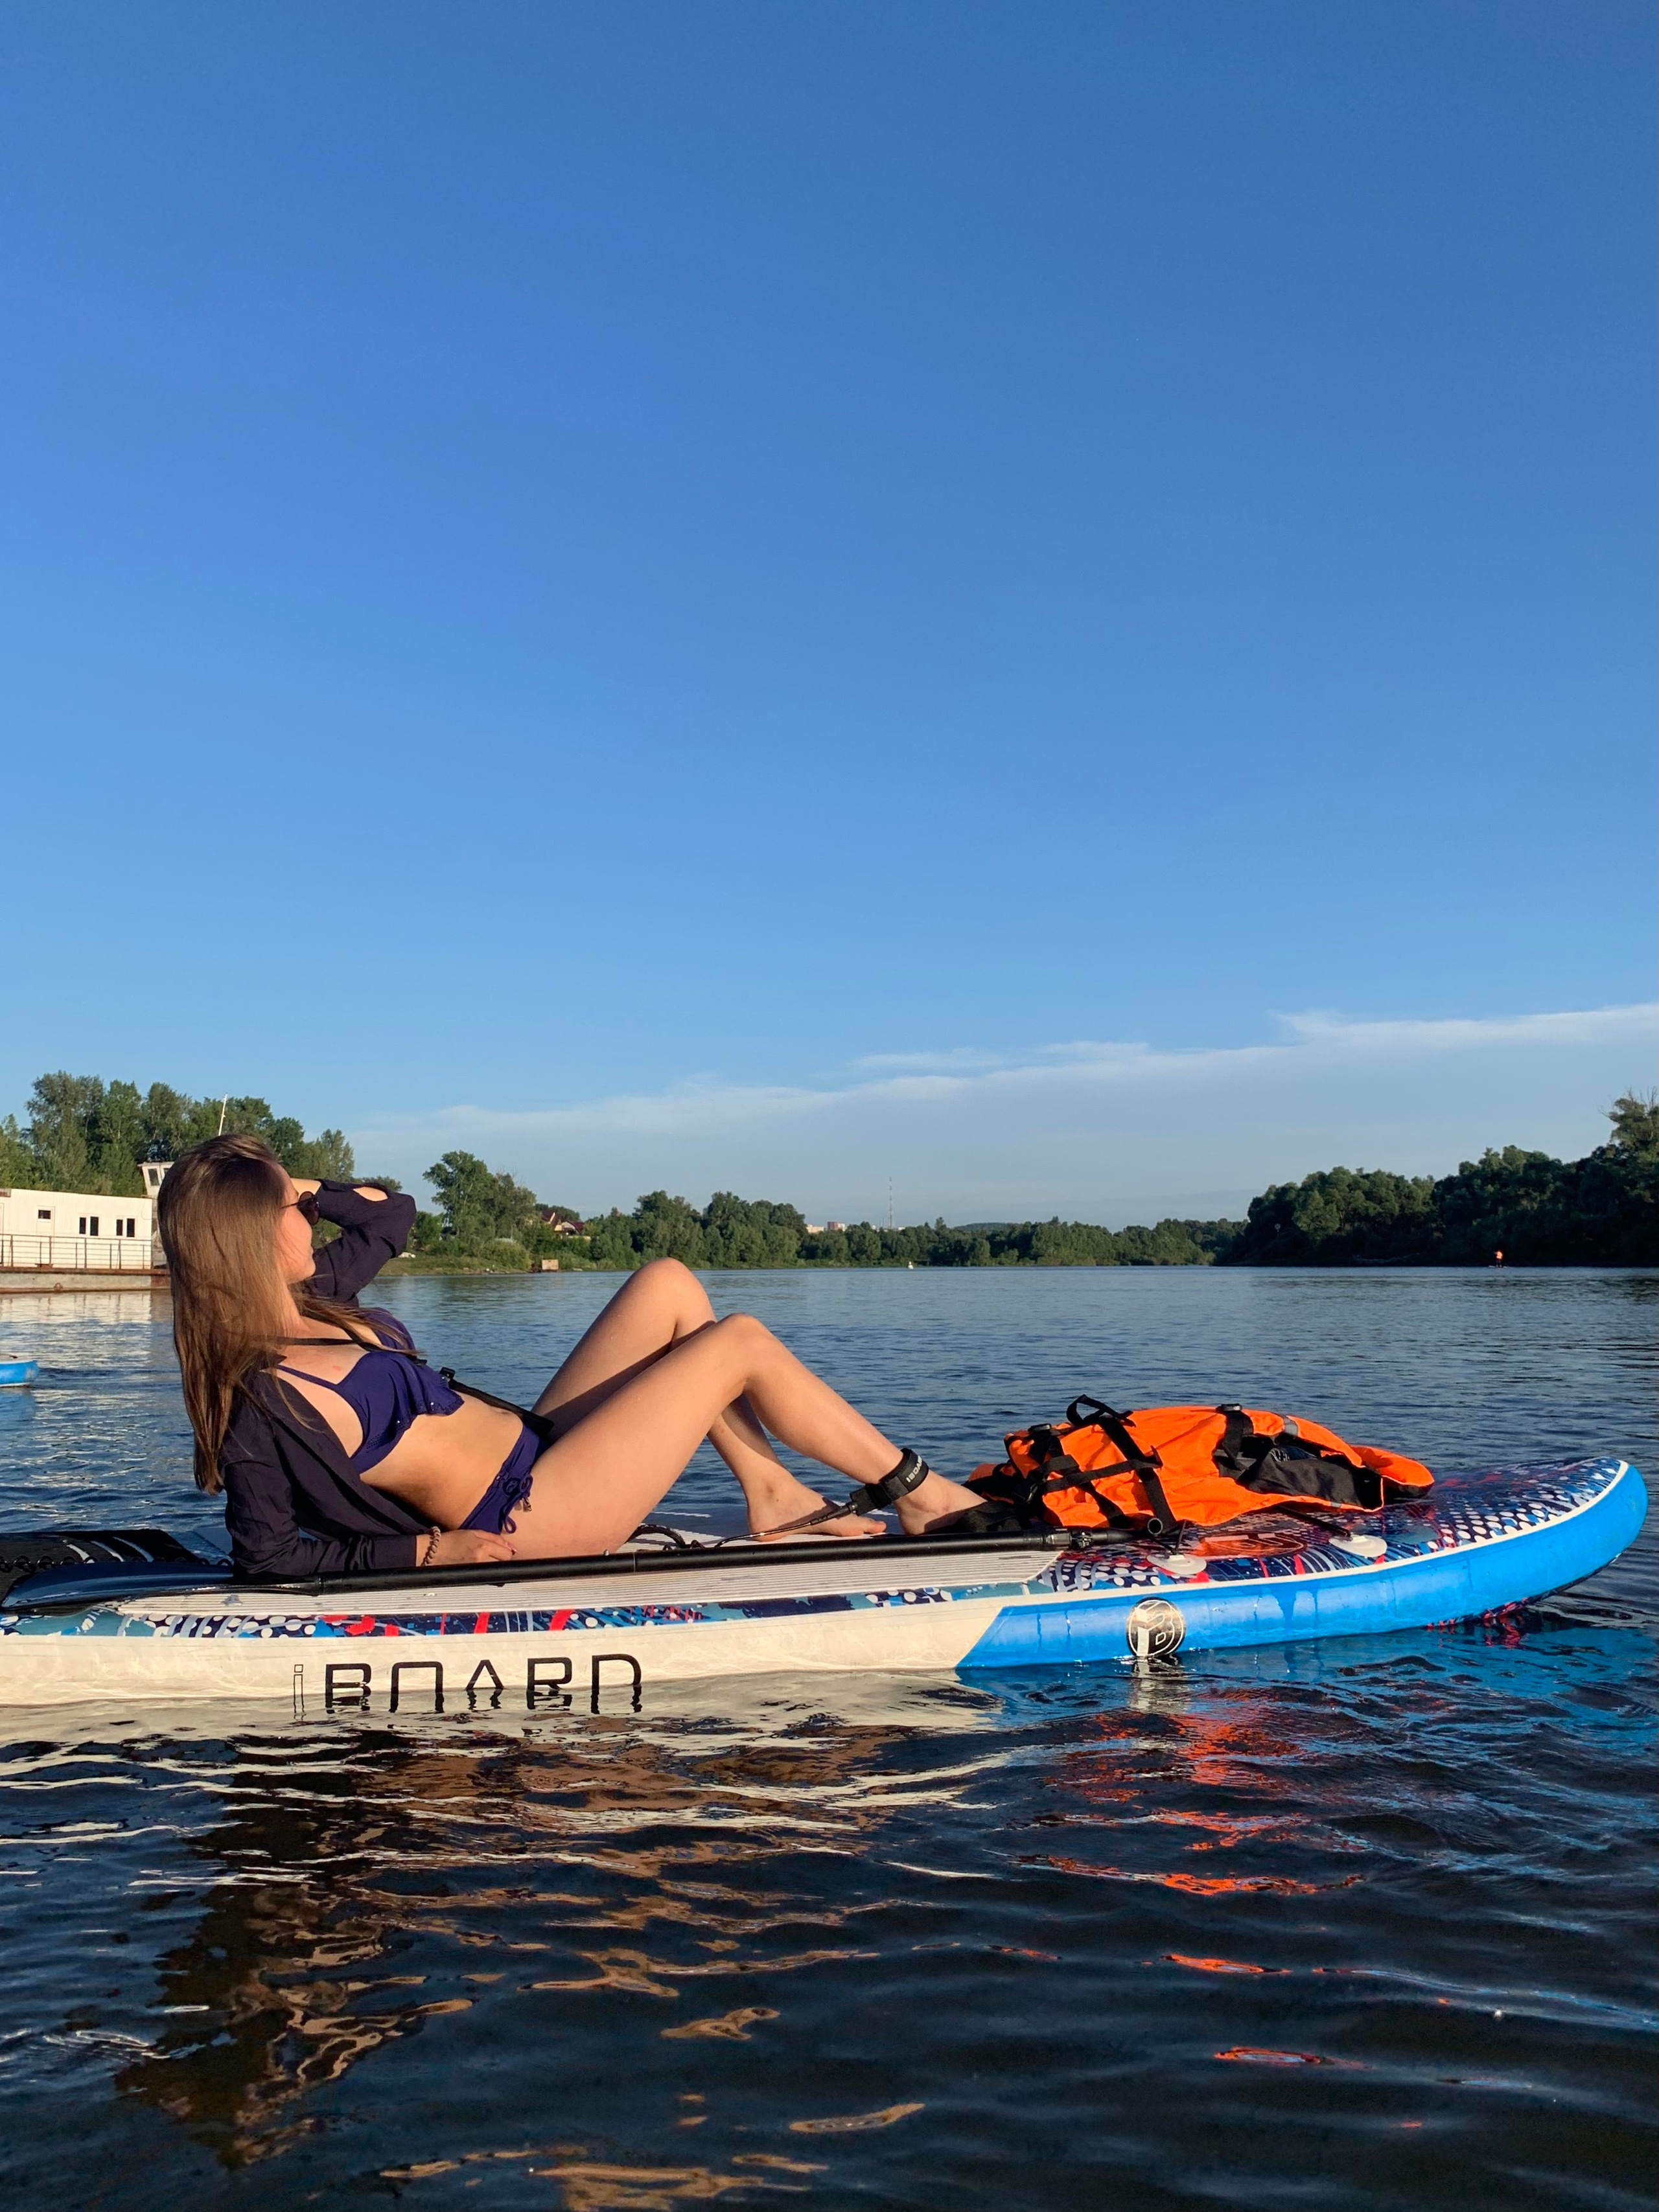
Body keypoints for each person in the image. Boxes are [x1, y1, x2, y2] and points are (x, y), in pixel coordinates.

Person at [157, 1134, 984, 1580]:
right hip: (526, 1517)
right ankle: (920, 1496)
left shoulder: (317, 1293)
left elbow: (392, 1217)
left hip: (535, 1447)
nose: (309, 1216)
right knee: (737, 1344)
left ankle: (769, 1492)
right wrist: (427, 1553)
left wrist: (296, 1183)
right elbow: (265, 1556)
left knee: (668, 1285)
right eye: (293, 1208)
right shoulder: (262, 1394)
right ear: (256, 1233)